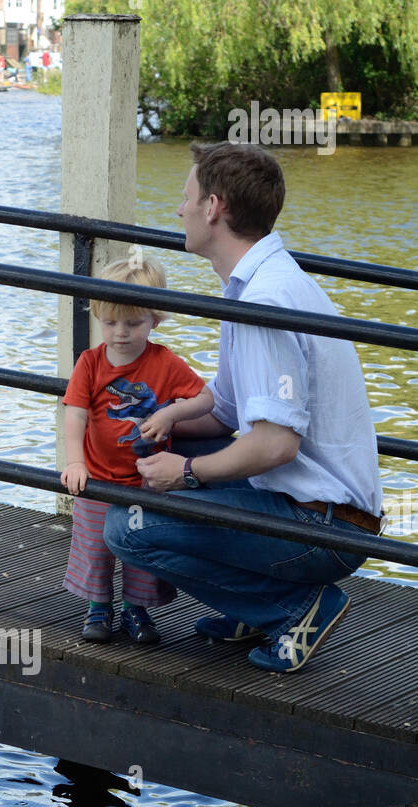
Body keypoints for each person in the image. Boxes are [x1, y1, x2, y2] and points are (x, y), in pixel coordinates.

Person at [103, 142, 383, 672]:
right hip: (309, 506)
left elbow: (276, 443)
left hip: (323, 527)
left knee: (127, 527)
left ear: (213, 208)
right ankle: (252, 607)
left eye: (186, 198)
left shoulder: (264, 301)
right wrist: (164, 419)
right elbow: (228, 413)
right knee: (184, 447)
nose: (178, 210)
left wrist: (185, 473)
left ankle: (293, 608)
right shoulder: (259, 283)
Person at [61, 253, 214, 645]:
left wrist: (172, 413)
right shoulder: (90, 363)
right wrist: (75, 462)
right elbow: (75, 415)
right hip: (98, 477)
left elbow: (206, 399)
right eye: (110, 322)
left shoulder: (164, 363)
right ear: (97, 316)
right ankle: (98, 605)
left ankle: (136, 608)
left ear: (155, 320)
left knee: (142, 549)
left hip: (148, 480)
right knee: (95, 545)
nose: (120, 333)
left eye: (133, 322)